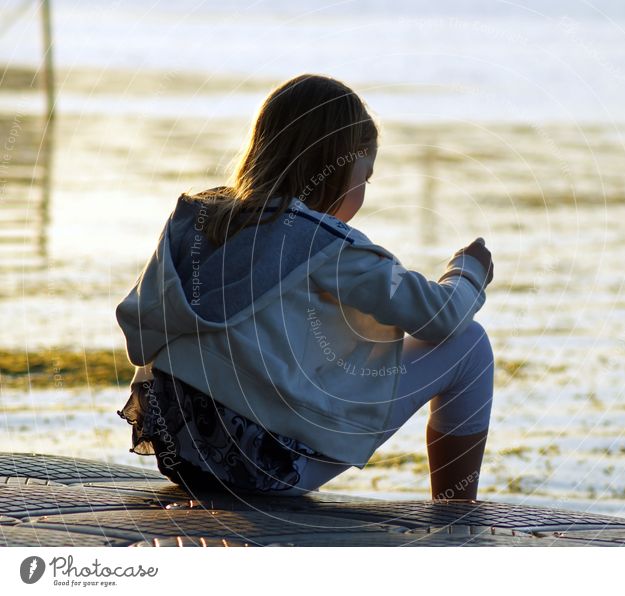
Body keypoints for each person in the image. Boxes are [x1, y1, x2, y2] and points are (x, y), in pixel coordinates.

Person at [116, 73, 495, 500]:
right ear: (335, 167)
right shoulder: (324, 243)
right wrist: (468, 272)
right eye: (365, 177)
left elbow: (138, 327)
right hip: (263, 467)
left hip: (180, 450)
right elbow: (439, 318)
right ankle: (456, 513)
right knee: (470, 346)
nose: (364, 191)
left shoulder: (198, 222)